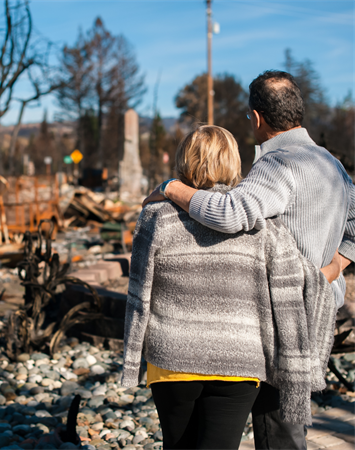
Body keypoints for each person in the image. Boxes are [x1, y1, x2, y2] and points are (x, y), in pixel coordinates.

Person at [142, 70, 355, 449]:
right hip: (321, 306)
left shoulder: (277, 165)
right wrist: (335, 267)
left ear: (256, 118)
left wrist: (171, 188)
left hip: (282, 313)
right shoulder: (331, 164)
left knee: (278, 431)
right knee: (289, 421)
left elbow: (229, 213)